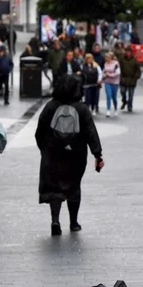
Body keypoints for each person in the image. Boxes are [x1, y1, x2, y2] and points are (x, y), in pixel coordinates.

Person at [35, 75, 104, 236]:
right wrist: (97, 154)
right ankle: (73, 223)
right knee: (73, 186)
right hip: (76, 155)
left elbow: (39, 132)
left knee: (54, 188)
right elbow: (91, 132)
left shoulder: (50, 107)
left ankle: (55, 220)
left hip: (52, 154)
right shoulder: (81, 108)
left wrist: (44, 150)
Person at [118, 45, 140, 112]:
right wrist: (120, 77)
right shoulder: (122, 59)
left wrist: (136, 77)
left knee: (131, 95)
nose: (128, 53)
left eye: (129, 52)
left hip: (132, 79)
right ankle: (124, 101)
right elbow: (119, 68)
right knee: (123, 92)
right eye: (126, 52)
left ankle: (130, 106)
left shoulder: (135, 60)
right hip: (124, 79)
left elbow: (138, 70)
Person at [101, 51, 121, 118]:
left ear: (111, 58)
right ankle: (108, 110)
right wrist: (104, 75)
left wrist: (109, 74)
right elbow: (103, 72)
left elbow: (118, 73)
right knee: (108, 96)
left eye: (108, 58)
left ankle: (115, 109)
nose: (107, 59)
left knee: (114, 97)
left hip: (115, 82)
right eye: (106, 58)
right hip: (107, 82)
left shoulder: (116, 64)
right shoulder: (105, 64)